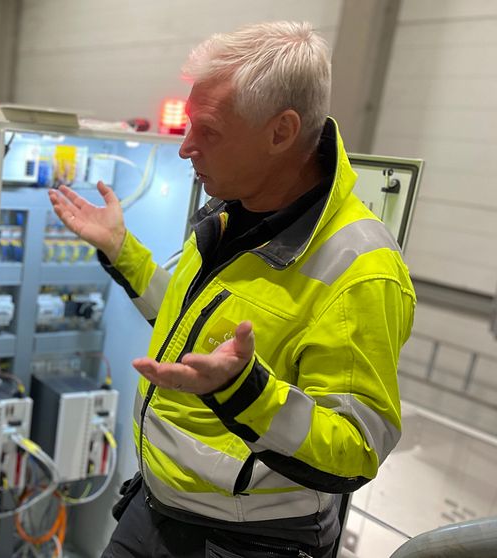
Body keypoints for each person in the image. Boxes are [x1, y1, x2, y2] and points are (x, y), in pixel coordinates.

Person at [49, 21, 414, 558]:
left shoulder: (359, 267)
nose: (185, 148)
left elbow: (357, 449)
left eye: (209, 131)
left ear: (281, 132)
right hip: (154, 509)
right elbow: (186, 326)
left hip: (245, 542)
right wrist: (121, 250)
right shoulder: (230, 212)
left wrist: (247, 392)